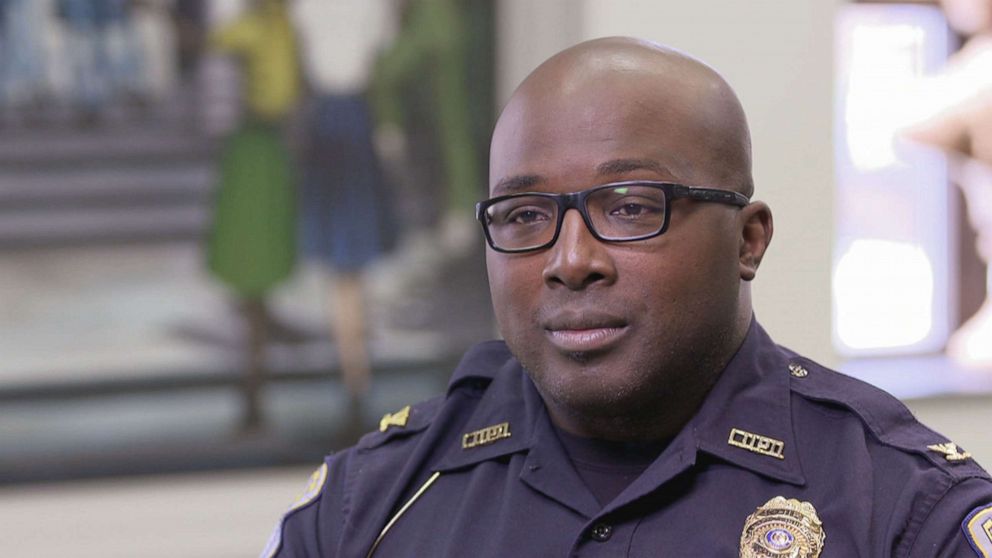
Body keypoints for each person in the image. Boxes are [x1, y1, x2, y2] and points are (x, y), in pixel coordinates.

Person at [260, 37, 992, 558]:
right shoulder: (369, 503)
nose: (570, 261)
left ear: (748, 241)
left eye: (631, 207)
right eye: (524, 217)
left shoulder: (903, 510)